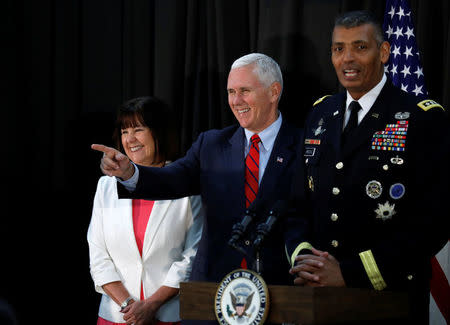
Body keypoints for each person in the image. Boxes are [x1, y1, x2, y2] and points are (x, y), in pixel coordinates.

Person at [288, 10, 449, 324]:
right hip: (320, 300)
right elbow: (297, 205)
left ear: (384, 52)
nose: (347, 58)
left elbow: (434, 221)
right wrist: (307, 262)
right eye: (339, 48)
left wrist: (350, 273)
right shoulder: (320, 114)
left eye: (360, 47)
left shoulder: (420, 117)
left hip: (388, 300)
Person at [92, 53, 303, 288]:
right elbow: (172, 179)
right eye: (231, 92)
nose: (236, 101)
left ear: (274, 92)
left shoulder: (306, 145)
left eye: (244, 91)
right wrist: (129, 171)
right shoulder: (211, 145)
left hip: (281, 287)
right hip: (215, 290)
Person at [88, 96, 204, 325]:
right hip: (116, 317)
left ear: (159, 133)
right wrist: (129, 308)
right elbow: (98, 255)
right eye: (124, 132)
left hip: (169, 315)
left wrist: (152, 305)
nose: (130, 140)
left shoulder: (187, 183)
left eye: (138, 129)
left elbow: (192, 256)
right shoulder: (106, 185)